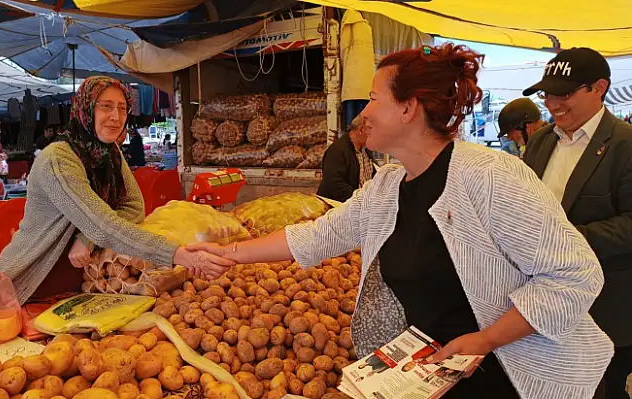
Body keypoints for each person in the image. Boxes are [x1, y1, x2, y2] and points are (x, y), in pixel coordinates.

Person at [187, 43, 614, 398]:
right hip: (442, 373)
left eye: (374, 98)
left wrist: (486, 340)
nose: (363, 113)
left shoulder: (490, 176)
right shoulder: (389, 184)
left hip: (514, 375)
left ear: (409, 108)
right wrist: (227, 253)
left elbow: (573, 275)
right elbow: (318, 236)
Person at [0, 76, 234, 305]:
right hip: (31, 283)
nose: (115, 117)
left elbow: (133, 207)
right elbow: (102, 225)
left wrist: (86, 239)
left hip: (83, 278)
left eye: (122, 108)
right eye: (106, 106)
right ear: (86, 109)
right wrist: (179, 255)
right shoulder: (57, 160)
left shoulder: (110, 153)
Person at [521, 47, 632, 399]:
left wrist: (566, 239)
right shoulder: (540, 142)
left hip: (607, 304)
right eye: (547, 94)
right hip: (545, 303)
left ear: (599, 88)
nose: (553, 104)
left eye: (564, 93)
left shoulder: (625, 145)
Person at [316, 114, 374, 202]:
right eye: (371, 130)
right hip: (337, 208)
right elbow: (335, 184)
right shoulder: (337, 151)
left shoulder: (365, 150)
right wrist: (359, 199)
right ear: (362, 129)